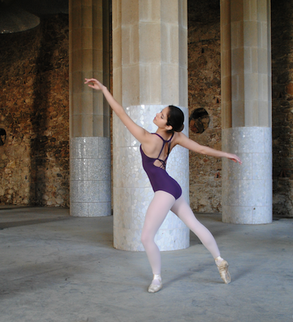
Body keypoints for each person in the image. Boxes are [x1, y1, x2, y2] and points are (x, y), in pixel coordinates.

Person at [84, 78, 242, 293]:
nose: (157, 114)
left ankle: (157, 278)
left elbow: (120, 113)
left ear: (167, 125)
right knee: (195, 225)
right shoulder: (176, 136)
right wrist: (227, 154)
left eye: (161, 115)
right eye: (160, 112)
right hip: (173, 187)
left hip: (165, 190)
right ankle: (219, 259)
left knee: (146, 237)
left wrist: (103, 89)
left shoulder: (147, 138)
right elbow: (202, 149)